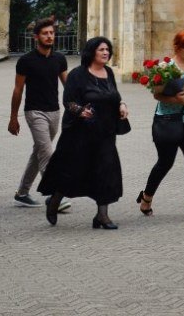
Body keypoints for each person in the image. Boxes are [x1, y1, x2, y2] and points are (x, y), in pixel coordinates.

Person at [39, 36, 130, 229]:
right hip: (80, 134)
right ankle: (55, 200)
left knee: (106, 171)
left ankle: (102, 216)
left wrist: (122, 104)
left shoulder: (108, 72)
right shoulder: (77, 74)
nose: (106, 53)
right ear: (91, 52)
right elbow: (68, 101)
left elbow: (114, 95)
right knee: (72, 171)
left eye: (107, 49)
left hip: (105, 133)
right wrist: (80, 110)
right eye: (101, 49)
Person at [138, 29, 184, 219]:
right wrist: (177, 100)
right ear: (177, 47)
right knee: (165, 162)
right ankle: (146, 196)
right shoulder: (166, 68)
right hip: (168, 120)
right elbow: (157, 95)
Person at [8, 17, 71, 210]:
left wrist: (79, 107)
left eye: (51, 33)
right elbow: (18, 90)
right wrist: (13, 118)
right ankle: (54, 195)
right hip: (34, 112)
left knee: (39, 152)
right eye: (45, 33)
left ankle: (22, 193)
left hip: (54, 112)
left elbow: (68, 86)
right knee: (46, 153)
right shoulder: (26, 61)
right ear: (36, 37)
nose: (49, 36)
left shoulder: (59, 59)